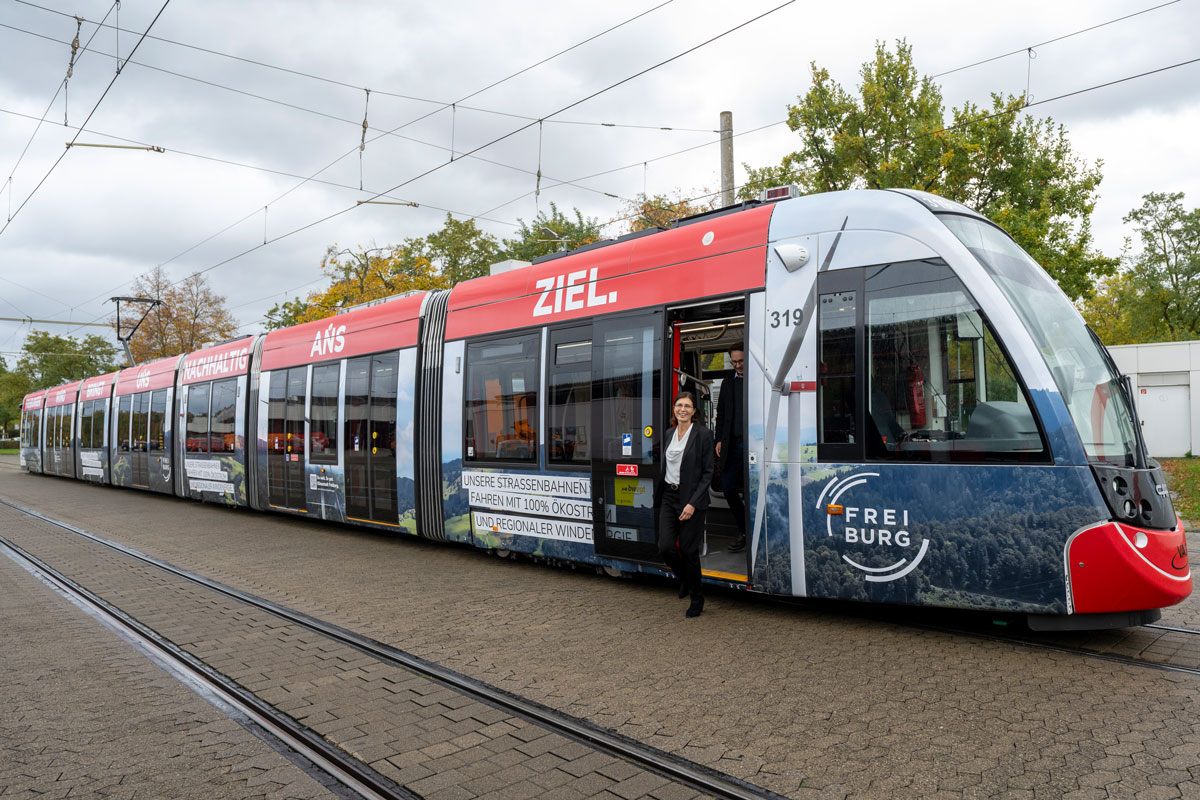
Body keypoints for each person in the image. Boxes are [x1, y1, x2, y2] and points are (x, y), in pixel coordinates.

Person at [657, 391, 714, 618]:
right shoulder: (670, 433)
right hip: (669, 497)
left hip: (691, 499)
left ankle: (696, 598)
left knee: (689, 551)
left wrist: (692, 503)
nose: (683, 409)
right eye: (679, 405)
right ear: (674, 409)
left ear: (694, 411)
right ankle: (684, 579)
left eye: (687, 406)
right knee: (666, 547)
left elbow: (708, 472)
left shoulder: (703, 434)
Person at [715, 347, 747, 553]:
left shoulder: (758, 380)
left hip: (754, 444)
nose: (737, 365)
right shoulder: (728, 383)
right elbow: (722, 413)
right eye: (734, 362)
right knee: (727, 488)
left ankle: (753, 533)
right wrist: (718, 439)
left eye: (741, 361)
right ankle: (745, 529)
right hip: (732, 444)